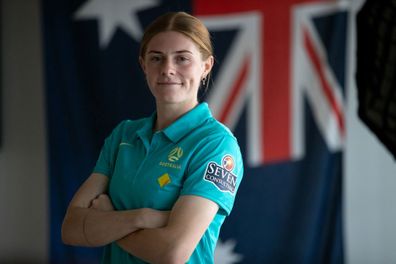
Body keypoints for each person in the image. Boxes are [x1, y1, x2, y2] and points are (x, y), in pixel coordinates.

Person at [61, 11, 244, 264]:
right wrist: (142, 217)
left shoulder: (215, 144)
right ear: (143, 65)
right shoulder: (124, 135)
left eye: (182, 59)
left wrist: (109, 220)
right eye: (156, 58)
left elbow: (172, 253)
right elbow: (71, 228)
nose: (168, 69)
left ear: (206, 66)